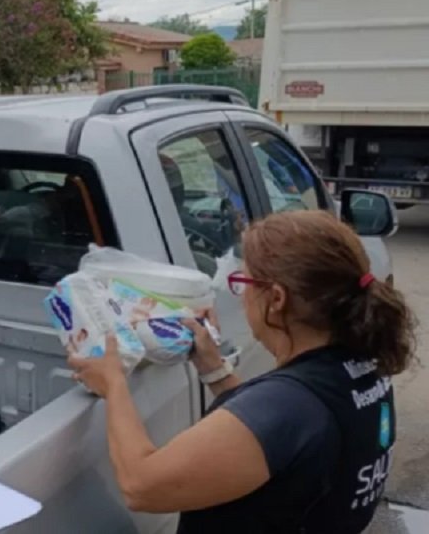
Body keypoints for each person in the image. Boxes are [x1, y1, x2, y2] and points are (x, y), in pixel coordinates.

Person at [68, 210, 417, 533]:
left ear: (276, 299)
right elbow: (276, 442)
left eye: (243, 282)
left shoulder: (289, 406)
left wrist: (114, 384)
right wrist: (215, 370)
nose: (240, 296)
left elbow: (141, 486)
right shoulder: (360, 366)